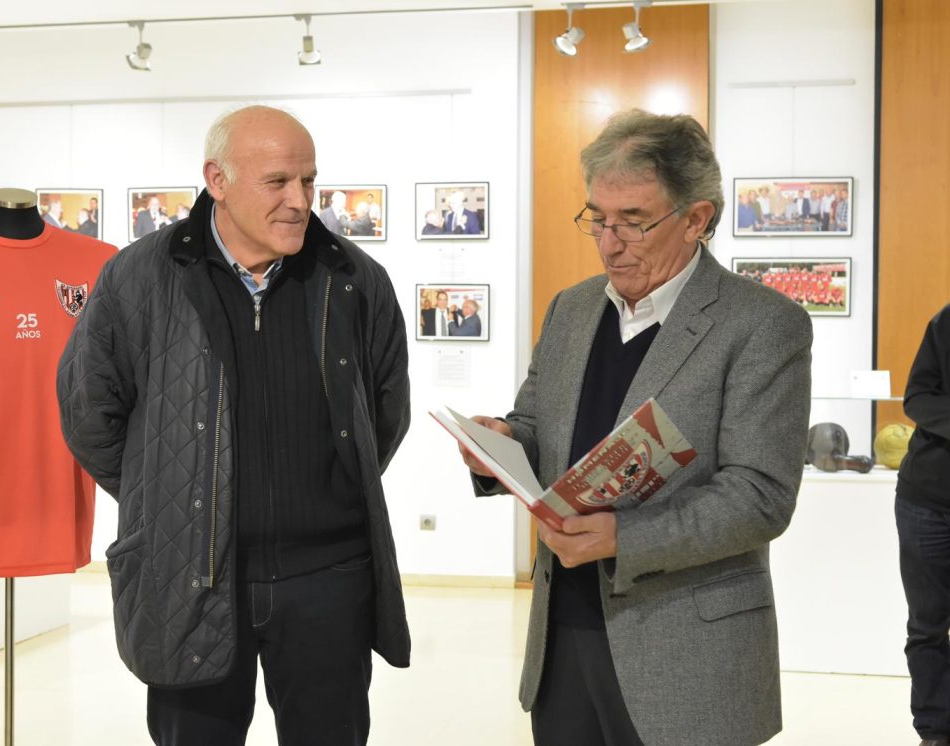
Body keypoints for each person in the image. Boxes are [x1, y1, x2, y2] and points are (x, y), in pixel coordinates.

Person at [57, 105, 411, 746]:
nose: (300, 201)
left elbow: (385, 413)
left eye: (309, 182)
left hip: (328, 582)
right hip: (190, 573)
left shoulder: (355, 279)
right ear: (216, 179)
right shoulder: (139, 278)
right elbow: (90, 415)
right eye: (277, 182)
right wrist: (172, 496)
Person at [459, 110, 812, 746]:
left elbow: (761, 496)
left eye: (634, 222)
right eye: (597, 218)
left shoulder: (762, 324)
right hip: (564, 634)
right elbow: (537, 424)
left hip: (688, 648)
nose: (609, 242)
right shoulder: (571, 309)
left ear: (697, 219)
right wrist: (502, 445)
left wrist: (624, 537)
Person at [895, 305, 950, 746]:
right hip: (926, 500)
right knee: (927, 626)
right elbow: (917, 398)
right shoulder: (947, 321)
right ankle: (934, 732)